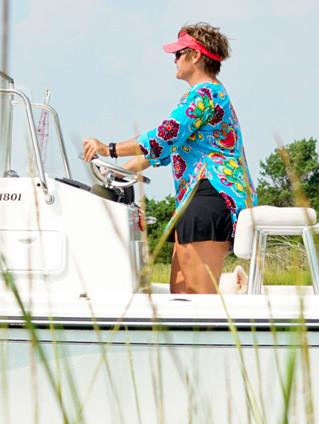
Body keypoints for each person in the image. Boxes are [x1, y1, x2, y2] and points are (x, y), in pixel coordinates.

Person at [82, 23, 254, 294]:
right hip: (196, 202)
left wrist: (109, 149)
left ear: (195, 56)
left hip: (209, 200)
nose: (173, 60)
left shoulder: (206, 94)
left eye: (178, 54)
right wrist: (117, 175)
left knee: (196, 305)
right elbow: (156, 153)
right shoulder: (203, 97)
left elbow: (164, 136)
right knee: (181, 295)